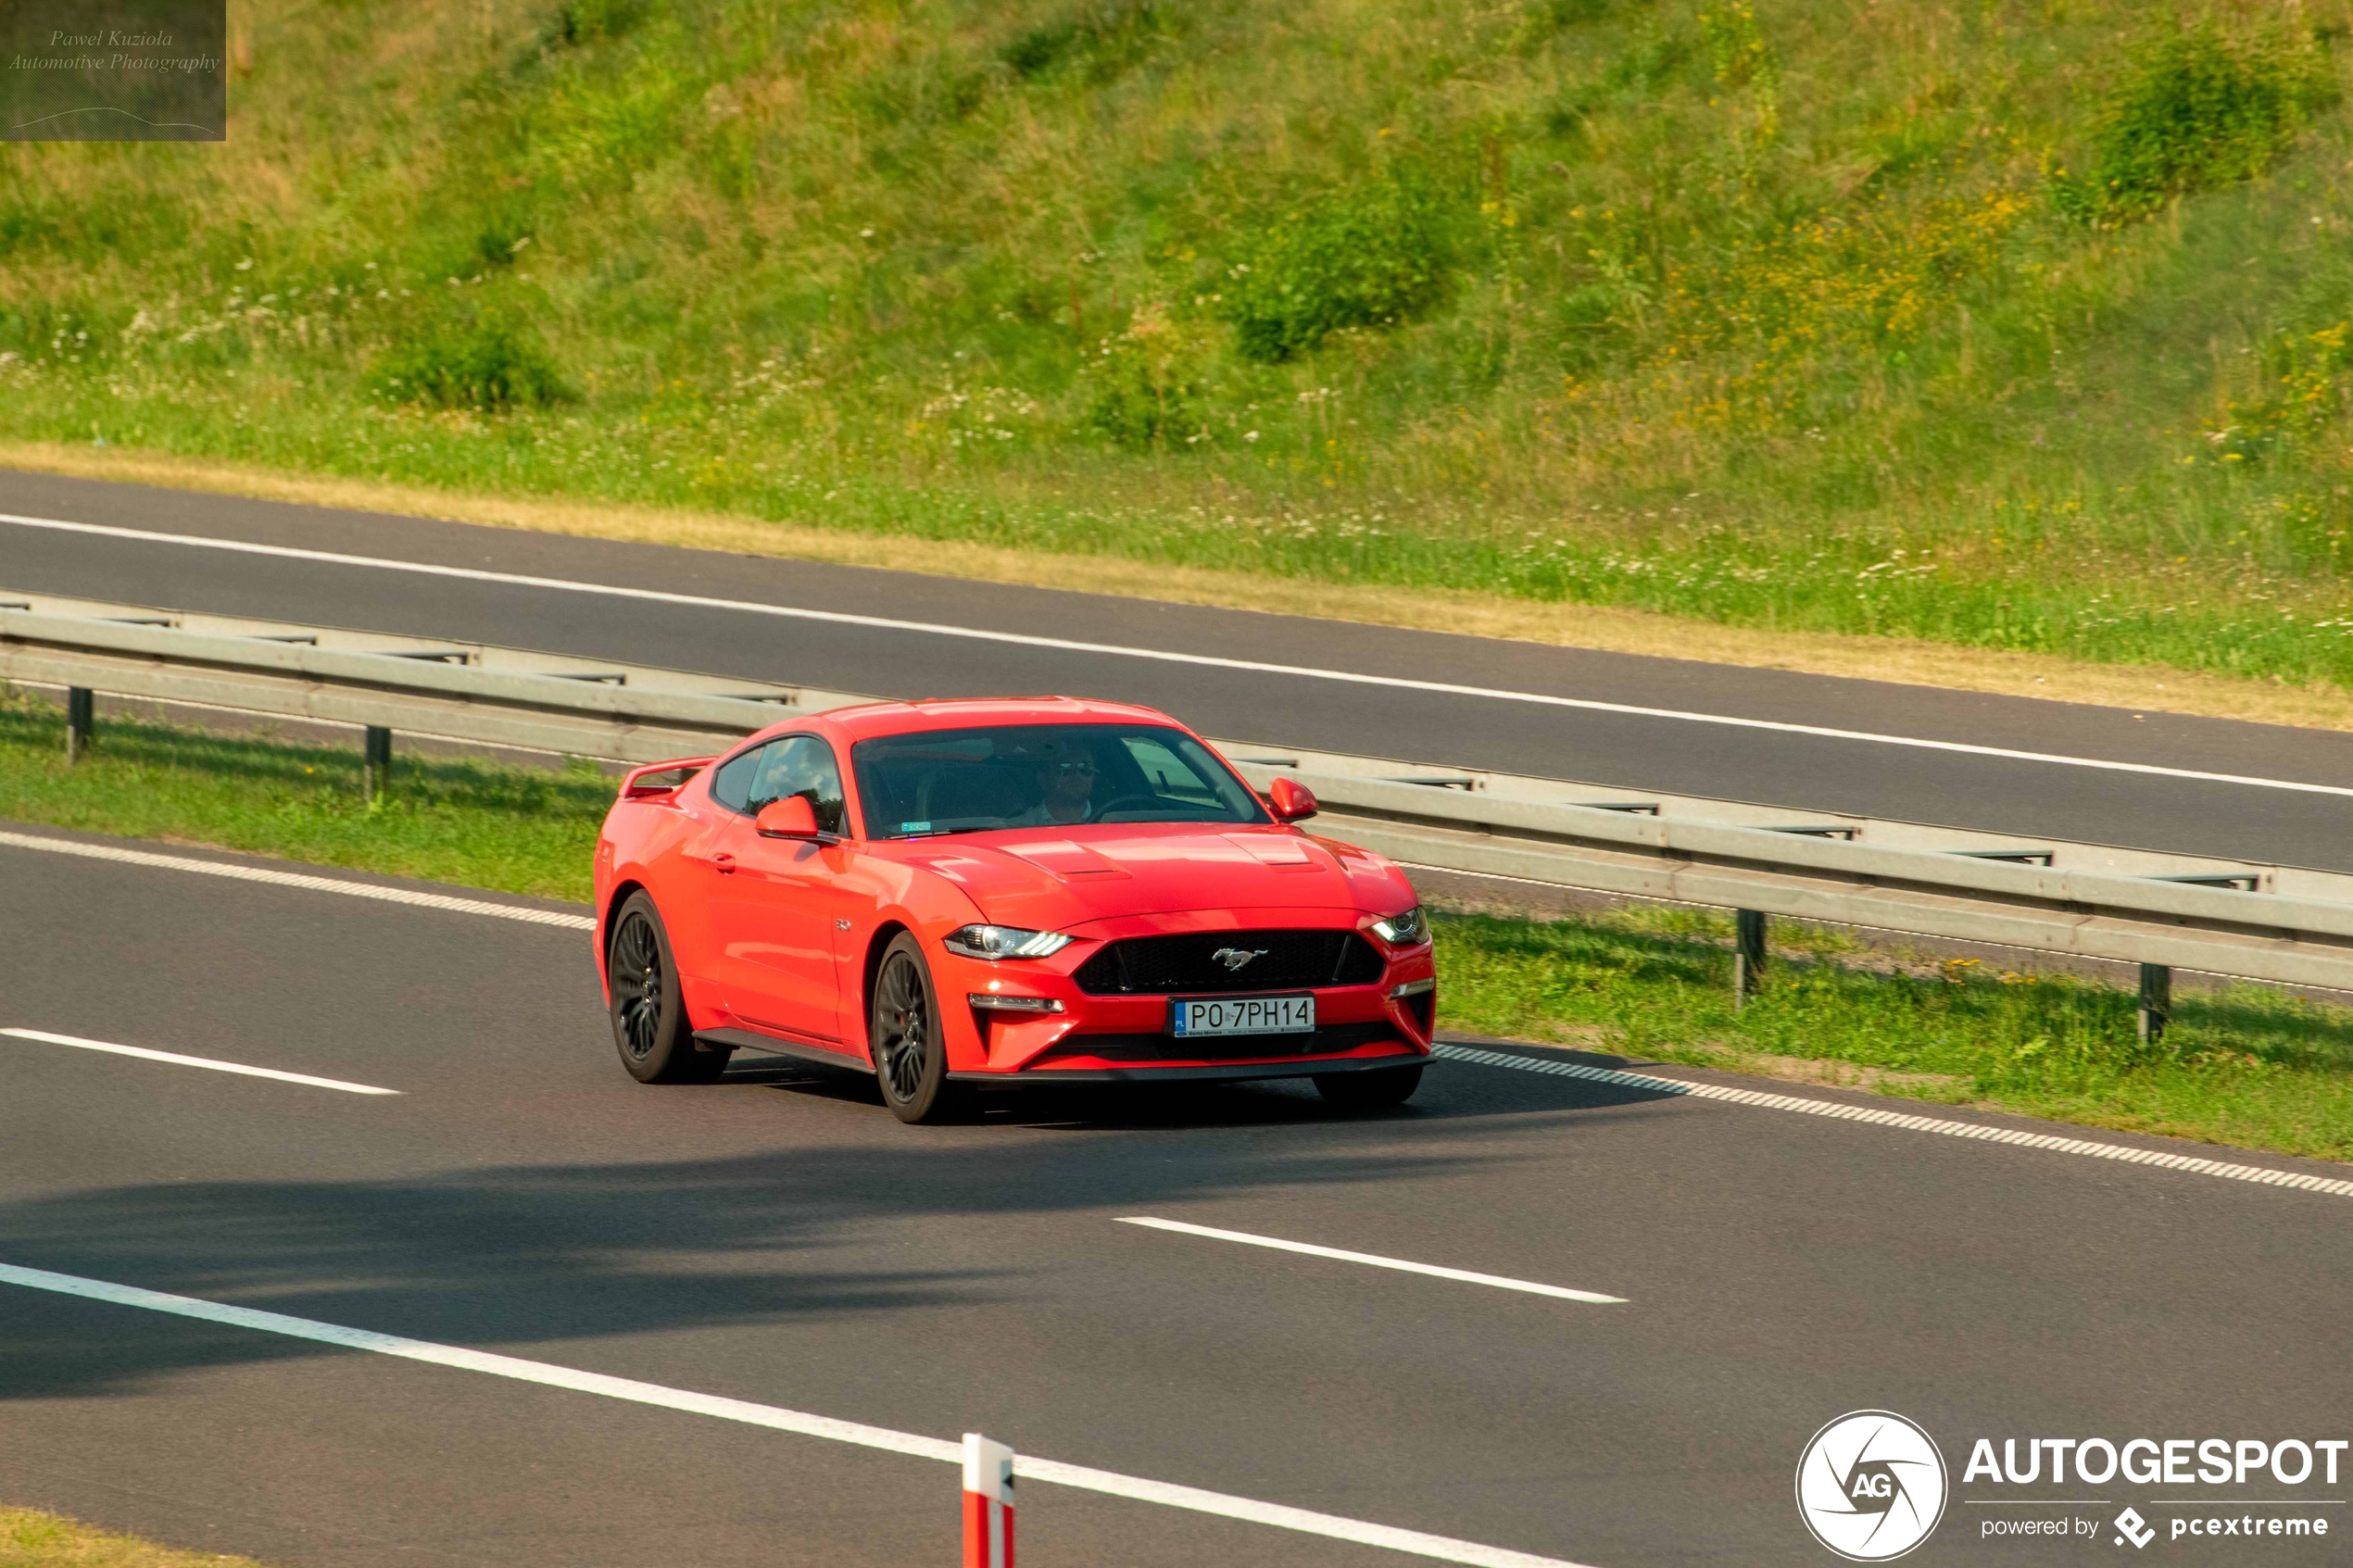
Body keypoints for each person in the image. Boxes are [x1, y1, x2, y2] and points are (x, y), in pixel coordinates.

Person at [1009, 746, 1100, 825]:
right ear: (1043, 779)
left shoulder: (1111, 821)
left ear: (1094, 778)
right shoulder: (1017, 827)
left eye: (1085, 769)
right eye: (1065, 769)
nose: (1077, 776)